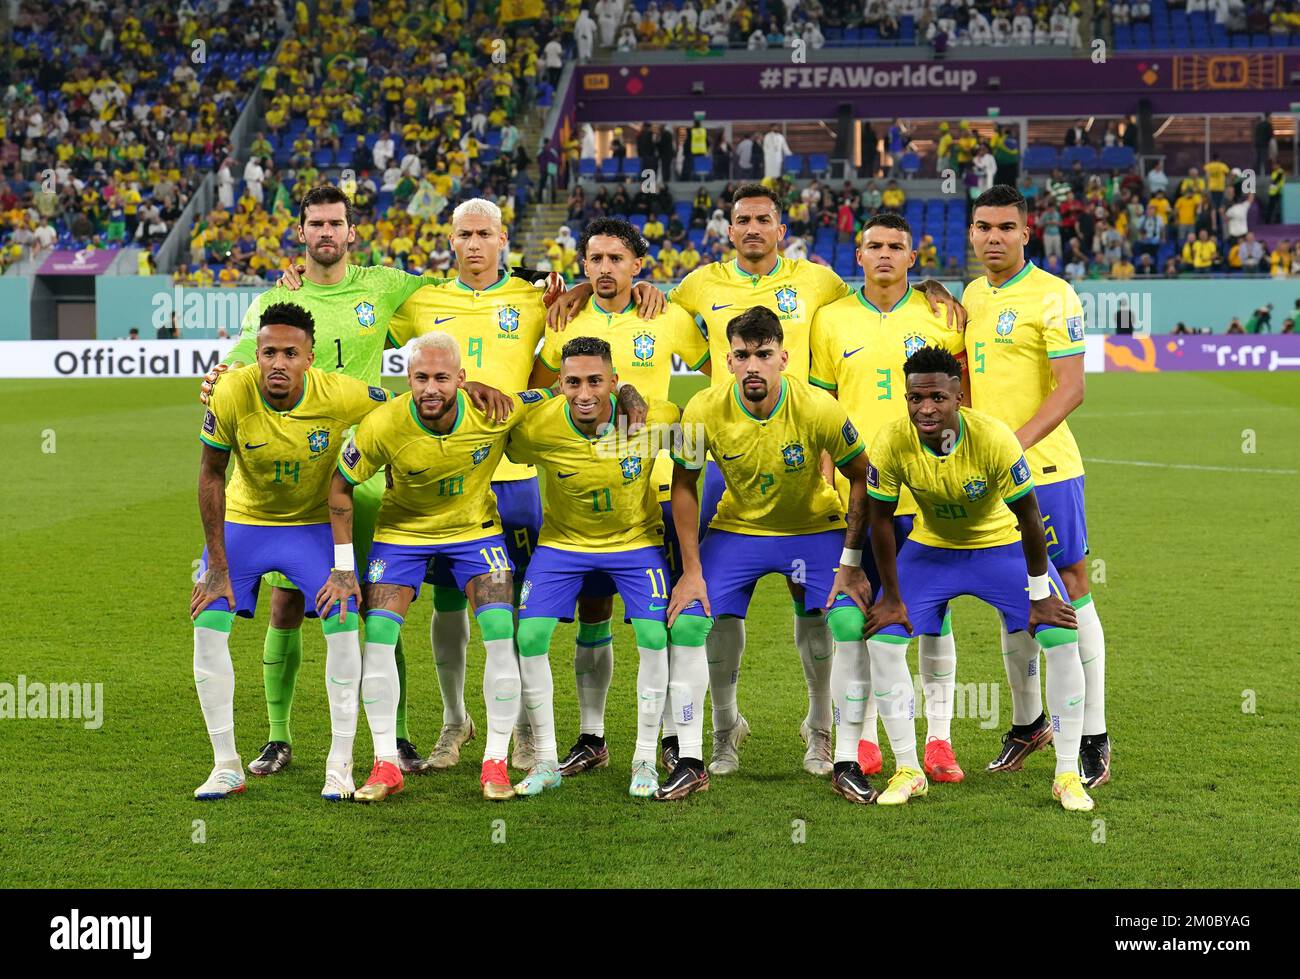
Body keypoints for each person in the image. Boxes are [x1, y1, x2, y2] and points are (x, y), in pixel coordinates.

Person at [200, 189, 555, 778]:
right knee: (288, 602)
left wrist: (545, 275)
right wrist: (219, 374)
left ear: (351, 232)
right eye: (315, 224)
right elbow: (242, 358)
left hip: (365, 470)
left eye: (335, 223)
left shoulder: (391, 286)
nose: (325, 233)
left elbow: (470, 297)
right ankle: (278, 736)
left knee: (377, 603)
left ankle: (402, 738)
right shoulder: (278, 298)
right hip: (294, 480)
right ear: (302, 232)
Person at [320, 333, 553, 801]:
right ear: (408, 379)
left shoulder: (494, 411)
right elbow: (339, 488)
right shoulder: (384, 425)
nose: (431, 388)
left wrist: (624, 393)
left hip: (476, 531)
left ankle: (495, 762)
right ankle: (386, 764)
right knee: (378, 641)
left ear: (462, 380)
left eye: (442, 378)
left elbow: (558, 390)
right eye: (421, 377)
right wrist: (344, 568)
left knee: (501, 636)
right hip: (402, 535)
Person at [863, 345, 1092, 812]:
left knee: (1062, 636)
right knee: (882, 641)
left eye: (937, 398)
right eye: (915, 398)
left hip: (1000, 547)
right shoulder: (891, 440)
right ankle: (908, 768)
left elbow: (1029, 516)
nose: (925, 408)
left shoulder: (993, 438)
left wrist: (1037, 594)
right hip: (932, 550)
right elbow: (881, 519)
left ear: (958, 396)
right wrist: (890, 595)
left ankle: (1067, 773)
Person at [667, 307, 877, 803]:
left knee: (845, 623)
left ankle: (828, 736)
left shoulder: (818, 407)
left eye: (764, 355)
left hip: (812, 528)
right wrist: (691, 571)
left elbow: (863, 476)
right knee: (693, 621)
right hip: (737, 529)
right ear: (728, 361)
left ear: (783, 357)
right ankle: (719, 733)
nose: (753, 365)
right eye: (742, 355)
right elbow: (684, 485)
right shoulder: (702, 408)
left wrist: (849, 562)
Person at [529, 219, 710, 780]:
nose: (604, 268)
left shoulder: (670, 315)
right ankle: (592, 737)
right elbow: (540, 389)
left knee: (678, 619)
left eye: (616, 258)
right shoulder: (565, 318)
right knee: (594, 609)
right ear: (583, 266)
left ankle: (681, 740)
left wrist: (667, 417)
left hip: (658, 486)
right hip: (587, 489)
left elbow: (706, 382)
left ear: (638, 265)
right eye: (594, 259)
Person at [189, 303, 390, 802]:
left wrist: (460, 390)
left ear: (310, 358)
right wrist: (216, 565)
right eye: (268, 353)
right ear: (255, 355)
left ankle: (339, 763)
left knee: (344, 622)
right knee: (206, 623)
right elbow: (211, 474)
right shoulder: (232, 391)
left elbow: (399, 406)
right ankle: (226, 765)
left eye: (290, 353)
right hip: (245, 522)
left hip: (310, 526)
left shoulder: (339, 393)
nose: (278, 363)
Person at [809, 211, 970, 782]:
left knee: (934, 619)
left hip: (927, 497)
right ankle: (866, 737)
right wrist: (828, 488)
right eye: (873, 245)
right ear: (858, 256)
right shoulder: (829, 321)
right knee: (855, 619)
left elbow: (963, 408)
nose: (883, 254)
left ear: (912, 256)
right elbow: (823, 414)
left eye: (894, 246)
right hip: (859, 499)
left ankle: (940, 740)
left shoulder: (941, 315)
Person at [962, 184, 1110, 788]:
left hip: (1046, 470)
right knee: (1011, 590)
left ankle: (1095, 734)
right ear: (971, 234)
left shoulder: (1054, 294)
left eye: (1004, 227)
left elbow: (1071, 387)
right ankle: (1029, 724)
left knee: (1070, 586)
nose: (993, 237)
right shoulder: (971, 295)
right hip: (988, 472)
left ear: (1027, 233)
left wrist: (1011, 445)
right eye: (982, 227)